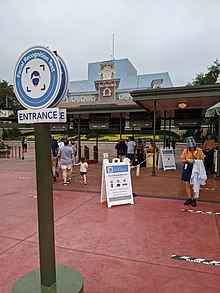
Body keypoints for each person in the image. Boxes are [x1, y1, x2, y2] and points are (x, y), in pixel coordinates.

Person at [181, 136, 205, 207]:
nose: (190, 143)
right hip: (188, 167)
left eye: (191, 141)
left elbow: (203, 159)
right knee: (187, 183)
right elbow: (182, 160)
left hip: (196, 167)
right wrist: (187, 160)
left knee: (195, 183)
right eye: (188, 141)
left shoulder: (199, 150)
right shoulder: (185, 151)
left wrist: (196, 161)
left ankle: (194, 199)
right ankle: (189, 198)